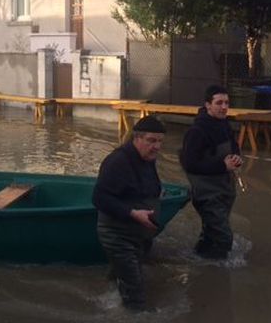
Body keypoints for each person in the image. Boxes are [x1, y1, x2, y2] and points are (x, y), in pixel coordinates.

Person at [92, 115, 166, 311]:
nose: (157, 146)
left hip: (138, 233)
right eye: (151, 140)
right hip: (117, 235)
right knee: (136, 294)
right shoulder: (117, 161)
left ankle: (107, 295)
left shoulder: (147, 158)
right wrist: (133, 213)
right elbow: (99, 198)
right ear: (137, 138)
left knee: (124, 275)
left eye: (160, 141)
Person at [180, 85, 242, 260]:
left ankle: (199, 259)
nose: (224, 107)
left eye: (227, 103)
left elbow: (234, 147)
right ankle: (218, 275)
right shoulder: (196, 132)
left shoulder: (224, 125)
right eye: (219, 103)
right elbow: (189, 164)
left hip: (224, 189)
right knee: (224, 237)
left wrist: (237, 158)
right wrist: (222, 166)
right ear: (207, 105)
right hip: (206, 193)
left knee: (211, 232)